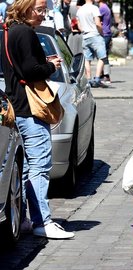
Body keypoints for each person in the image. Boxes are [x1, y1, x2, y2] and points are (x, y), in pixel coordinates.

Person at [1, 0, 74, 239]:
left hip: (17, 106)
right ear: (24, 8)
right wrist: (50, 65)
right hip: (31, 109)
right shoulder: (25, 33)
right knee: (40, 166)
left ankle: (22, 218)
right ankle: (42, 221)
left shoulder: (8, 32)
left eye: (45, 10)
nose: (44, 15)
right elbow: (32, 71)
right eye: (39, 10)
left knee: (23, 168)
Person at [77, 0, 108, 88]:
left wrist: (84, 30)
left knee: (87, 59)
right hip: (95, 35)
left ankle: (89, 79)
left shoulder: (80, 10)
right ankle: (97, 79)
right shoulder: (94, 8)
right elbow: (98, 24)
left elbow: (79, 26)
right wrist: (102, 33)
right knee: (102, 57)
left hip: (85, 36)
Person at [98, 0, 112, 83]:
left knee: (103, 55)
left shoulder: (102, 8)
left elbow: (95, 19)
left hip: (104, 33)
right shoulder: (105, 7)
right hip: (106, 33)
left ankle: (106, 75)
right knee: (103, 54)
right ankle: (103, 74)